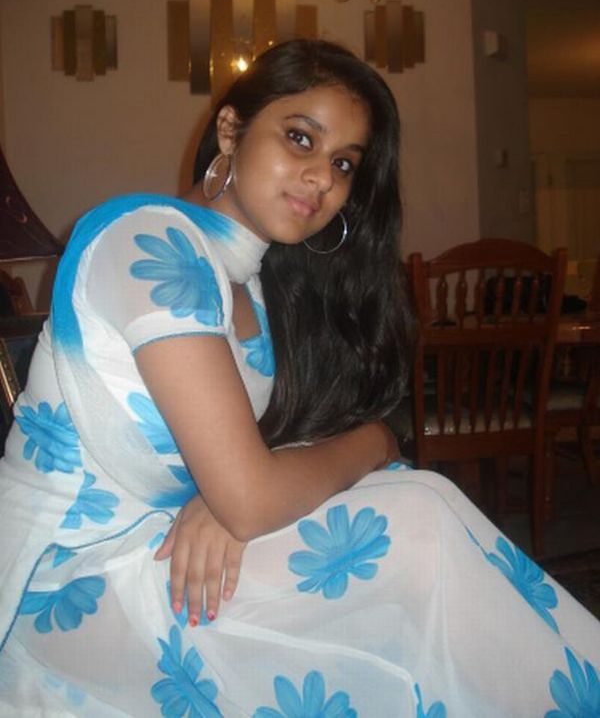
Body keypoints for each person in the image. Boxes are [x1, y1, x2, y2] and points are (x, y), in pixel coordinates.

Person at [0, 39, 598, 717]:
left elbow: (257, 473)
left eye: (343, 163)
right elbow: (254, 495)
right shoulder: (150, 240)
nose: (321, 178)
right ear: (231, 130)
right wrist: (373, 440)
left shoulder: (253, 289)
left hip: (165, 551)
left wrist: (242, 493)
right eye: (300, 138)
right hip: (61, 578)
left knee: (403, 523)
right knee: (416, 526)